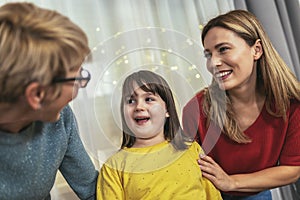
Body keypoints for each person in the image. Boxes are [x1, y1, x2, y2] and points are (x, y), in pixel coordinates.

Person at [182, 9, 300, 200]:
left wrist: (231, 182)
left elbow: (293, 169)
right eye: (208, 55)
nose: (214, 63)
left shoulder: (293, 105)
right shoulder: (195, 109)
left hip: (253, 192)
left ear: (257, 50)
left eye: (223, 49)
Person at [0, 2, 98, 200]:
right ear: (37, 95)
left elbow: (91, 190)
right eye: (77, 78)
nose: (81, 85)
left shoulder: (61, 120)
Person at [96, 70, 222, 199]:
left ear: (167, 110)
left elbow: (213, 196)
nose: (139, 106)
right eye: (130, 101)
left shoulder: (192, 149)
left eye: (149, 99)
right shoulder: (114, 167)